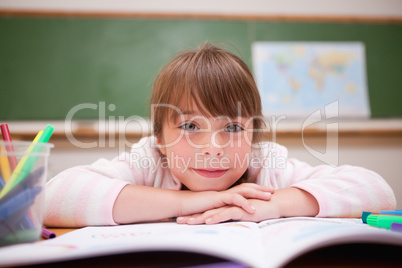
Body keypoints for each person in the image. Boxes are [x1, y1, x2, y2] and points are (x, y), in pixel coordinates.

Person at [44, 43, 396, 227]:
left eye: (232, 127)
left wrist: (273, 204)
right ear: (159, 138)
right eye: (189, 126)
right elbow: (51, 199)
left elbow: (378, 192)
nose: (213, 149)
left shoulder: (264, 163)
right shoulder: (150, 159)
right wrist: (190, 202)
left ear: (254, 134)